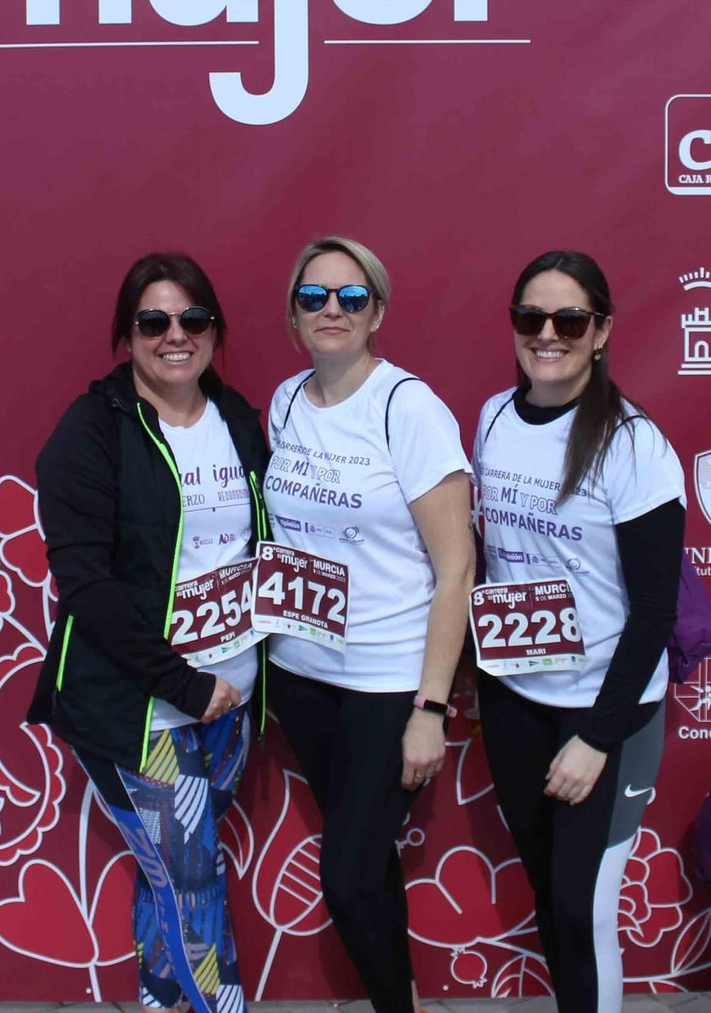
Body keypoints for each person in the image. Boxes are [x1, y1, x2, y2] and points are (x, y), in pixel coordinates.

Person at [28, 252, 272, 1013]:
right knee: (193, 881)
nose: (176, 335)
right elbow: (88, 588)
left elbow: (263, 545)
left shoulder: (236, 417)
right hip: (144, 706)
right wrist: (182, 684)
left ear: (214, 331)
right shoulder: (91, 431)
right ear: (126, 335)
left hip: (230, 698)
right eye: (155, 321)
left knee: (176, 873)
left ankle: (166, 1002)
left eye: (193, 319)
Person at [261, 235, 475, 1013]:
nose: (331, 311)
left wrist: (430, 707)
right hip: (304, 677)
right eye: (314, 296)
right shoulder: (284, 402)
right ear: (294, 313)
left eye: (351, 298)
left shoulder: (407, 407)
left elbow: (456, 568)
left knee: (346, 878)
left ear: (376, 311)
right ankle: (406, 999)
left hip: (391, 682)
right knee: (368, 859)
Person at [472, 251, 685, 1013]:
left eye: (569, 319)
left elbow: (655, 612)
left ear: (601, 330)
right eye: (532, 317)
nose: (548, 334)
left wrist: (597, 735)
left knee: (581, 905)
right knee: (547, 895)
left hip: (606, 711)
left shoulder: (633, 444)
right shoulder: (494, 418)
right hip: (514, 698)